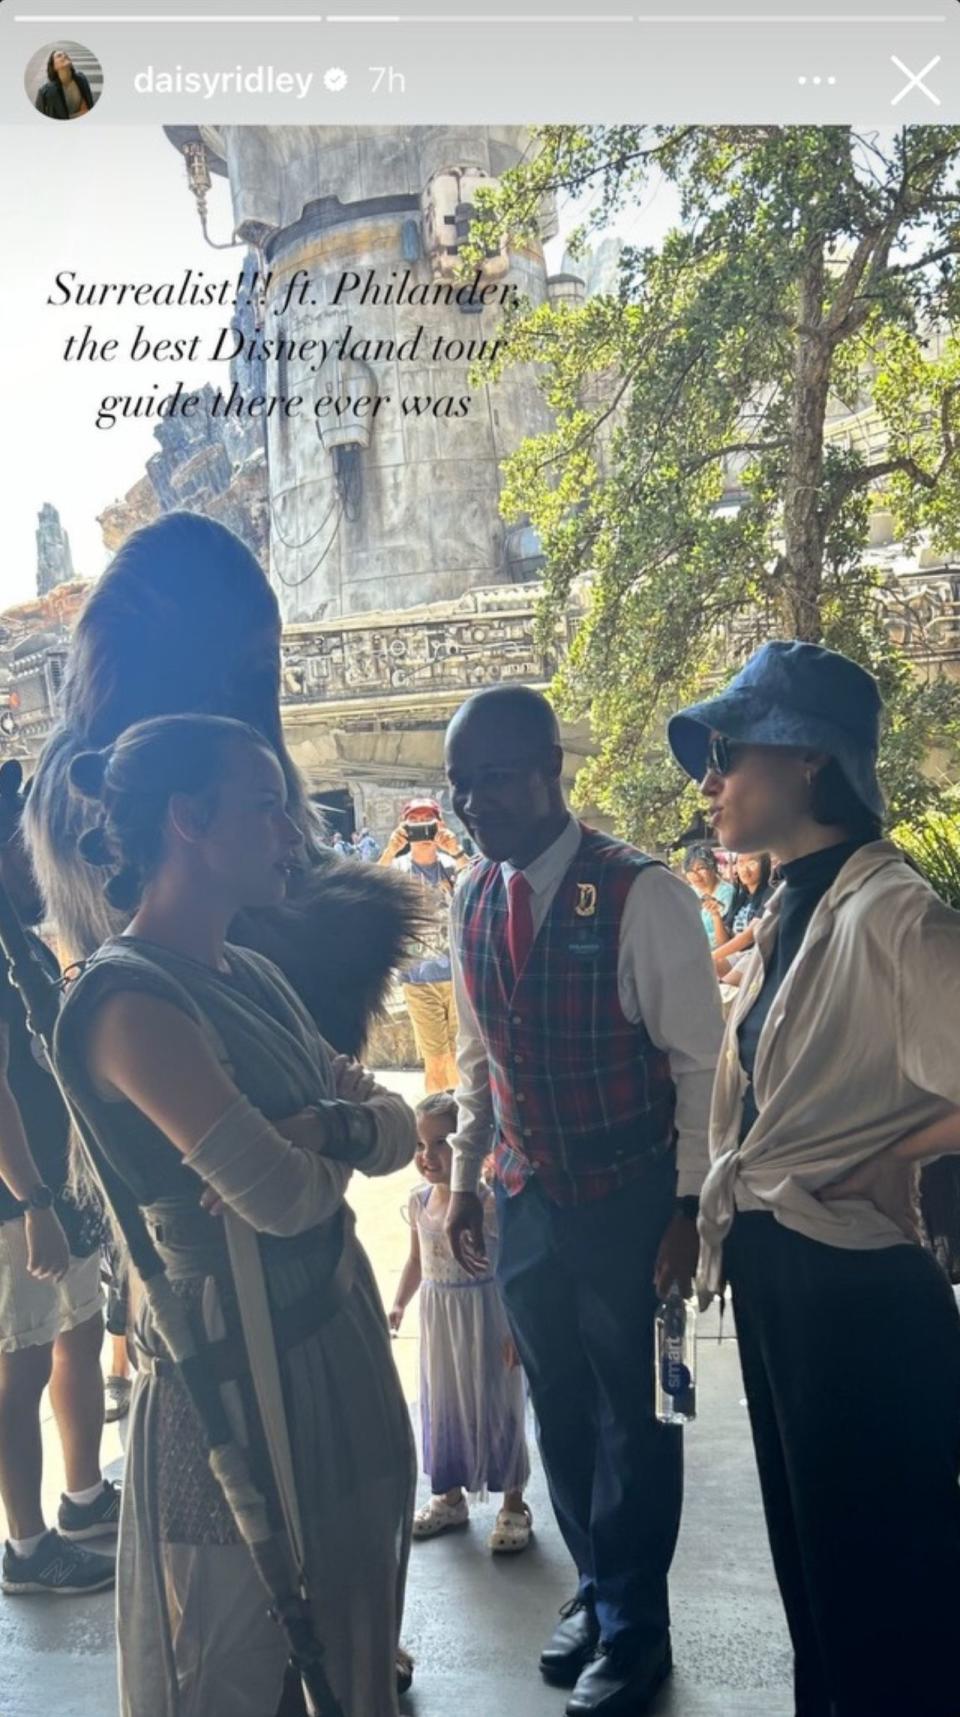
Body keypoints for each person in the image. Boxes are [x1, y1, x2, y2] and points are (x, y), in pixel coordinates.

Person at [51, 714, 418, 1717]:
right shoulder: (127, 1004)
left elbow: (401, 1129)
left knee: (353, 1640)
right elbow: (286, 1198)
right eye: (266, 809)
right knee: (223, 1667)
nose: (290, 835)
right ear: (186, 821)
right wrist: (335, 1136)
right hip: (228, 1380)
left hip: (330, 1346)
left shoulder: (249, 973)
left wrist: (313, 1123)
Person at [667, 639, 960, 1717]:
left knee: (884, 1602)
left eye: (729, 748)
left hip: (858, 1300)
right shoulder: (793, 903)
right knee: (821, 1588)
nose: (710, 777)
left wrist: (900, 1152)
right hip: (789, 1280)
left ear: (807, 761)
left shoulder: (890, 911)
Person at [443, 686, 723, 1717]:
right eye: (461, 784)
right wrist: (469, 1178)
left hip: (632, 1199)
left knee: (640, 1413)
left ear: (552, 767)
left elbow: (700, 1068)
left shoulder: (641, 893)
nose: (476, 803)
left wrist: (691, 1207)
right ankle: (600, 1591)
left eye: (497, 776)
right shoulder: (472, 893)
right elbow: (480, 1060)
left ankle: (638, 1628)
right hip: (526, 1201)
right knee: (558, 1406)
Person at [25, 512, 420, 1059]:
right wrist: (368, 921)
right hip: (232, 1087)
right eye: (258, 667)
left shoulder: (71, 772)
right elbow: (250, 964)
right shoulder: (156, 771)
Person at [0, 760, 118, 1597]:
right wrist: (34, 1197)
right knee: (20, 1364)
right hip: (21, 1196)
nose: (33, 850)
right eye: (18, 836)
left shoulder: (18, 936)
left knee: (77, 1327)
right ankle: (28, 1545)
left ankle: (82, 1497)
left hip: (56, 1184)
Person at [390, 1092, 532, 1554]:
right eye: (420, 1145)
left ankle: (514, 1502)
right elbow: (415, 1260)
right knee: (445, 1402)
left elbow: (512, 1264)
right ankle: (449, 1497)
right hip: (439, 1320)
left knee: (499, 1401)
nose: (427, 1156)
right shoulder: (418, 1202)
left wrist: (516, 1327)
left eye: (441, 1144)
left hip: (486, 1316)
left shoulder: (489, 1203)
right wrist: (398, 1304)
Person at [379, 798, 470, 1092]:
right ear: (404, 827)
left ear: (440, 824)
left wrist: (456, 851)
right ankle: (437, 1125)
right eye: (414, 820)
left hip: (457, 975)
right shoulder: (397, 868)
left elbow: (484, 886)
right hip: (417, 979)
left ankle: (457, 1121)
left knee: (462, 1056)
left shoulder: (452, 867)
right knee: (436, 1057)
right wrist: (390, 851)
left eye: (428, 820)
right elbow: (368, 893)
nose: (421, 826)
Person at [710, 852, 773, 978]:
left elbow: (749, 936)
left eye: (752, 862)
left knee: (725, 986)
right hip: (738, 954)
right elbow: (723, 942)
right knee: (707, 969)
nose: (745, 869)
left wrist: (711, 956)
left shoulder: (770, 894)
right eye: (740, 862)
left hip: (757, 954)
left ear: (765, 866)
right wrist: (716, 915)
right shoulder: (739, 896)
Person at [681, 844, 735, 949]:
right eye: (690, 870)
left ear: (713, 867)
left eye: (700, 868)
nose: (695, 875)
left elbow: (724, 942)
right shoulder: (692, 891)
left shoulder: (727, 893)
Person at [34, 48, 96, 120]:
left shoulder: (81, 79)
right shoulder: (45, 92)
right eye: (59, 56)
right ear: (54, 67)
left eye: (65, 54)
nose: (64, 55)